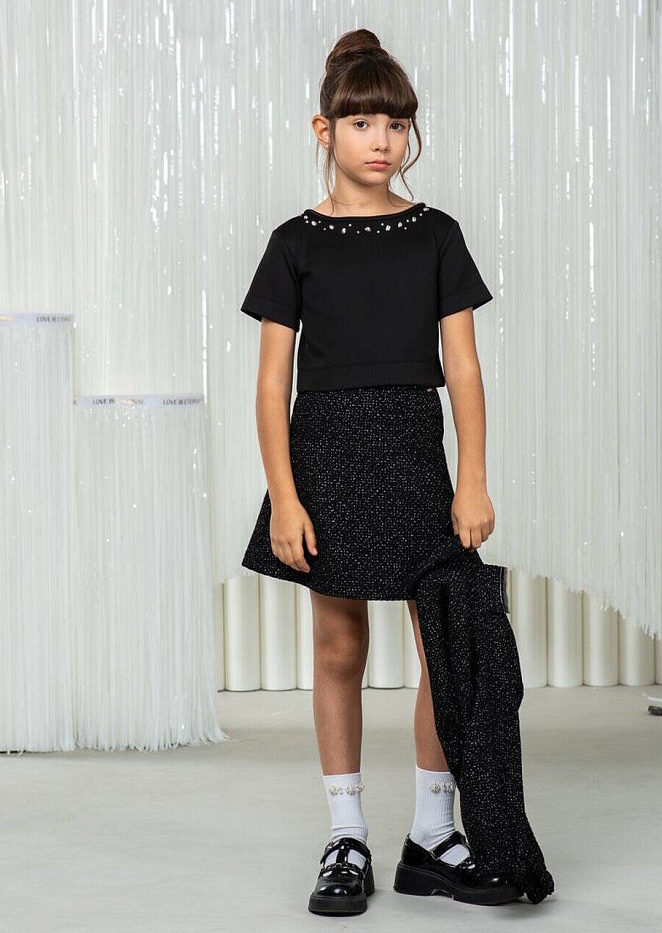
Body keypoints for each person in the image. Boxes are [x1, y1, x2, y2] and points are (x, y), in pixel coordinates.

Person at [240, 28, 539, 916]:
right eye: (363, 122)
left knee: (446, 645)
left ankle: (434, 832)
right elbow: (272, 383)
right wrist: (285, 495)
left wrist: (472, 478)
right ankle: (347, 834)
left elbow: (464, 368)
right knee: (340, 647)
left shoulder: (436, 234)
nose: (383, 140)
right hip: (327, 457)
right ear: (323, 129)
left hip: (415, 457)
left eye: (397, 124)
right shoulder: (293, 243)